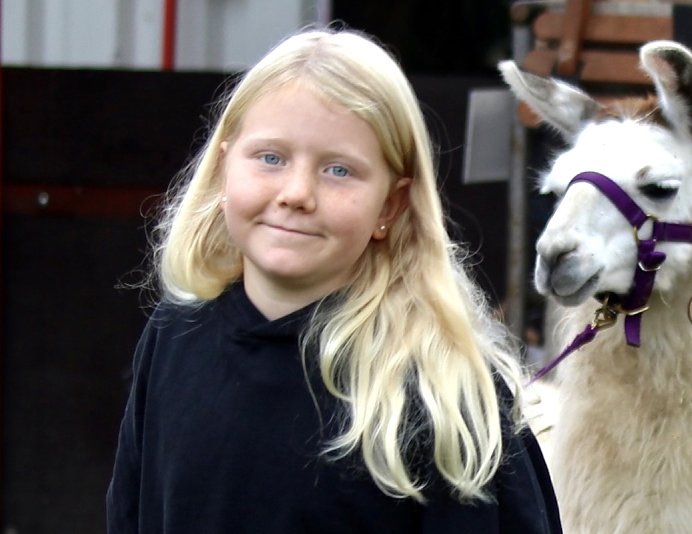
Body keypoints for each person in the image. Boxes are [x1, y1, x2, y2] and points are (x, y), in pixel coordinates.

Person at [106, 27, 562, 533]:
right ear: (222, 169)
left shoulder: (442, 390)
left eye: (339, 170)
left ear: (390, 205)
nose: (297, 192)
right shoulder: (175, 334)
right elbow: (129, 512)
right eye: (271, 158)